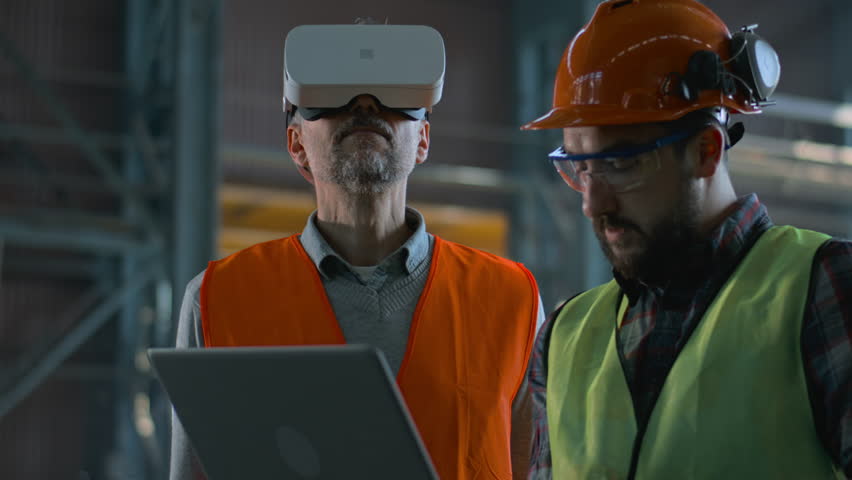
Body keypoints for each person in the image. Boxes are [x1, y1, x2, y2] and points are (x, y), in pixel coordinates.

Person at [169, 22, 545, 480]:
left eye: (393, 99)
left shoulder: (511, 299)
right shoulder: (218, 299)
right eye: (334, 98)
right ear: (296, 145)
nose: (365, 105)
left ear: (423, 140)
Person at [520, 0, 851, 478]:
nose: (593, 203)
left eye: (621, 164)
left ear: (705, 152)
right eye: (581, 167)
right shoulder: (563, 338)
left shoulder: (824, 290)